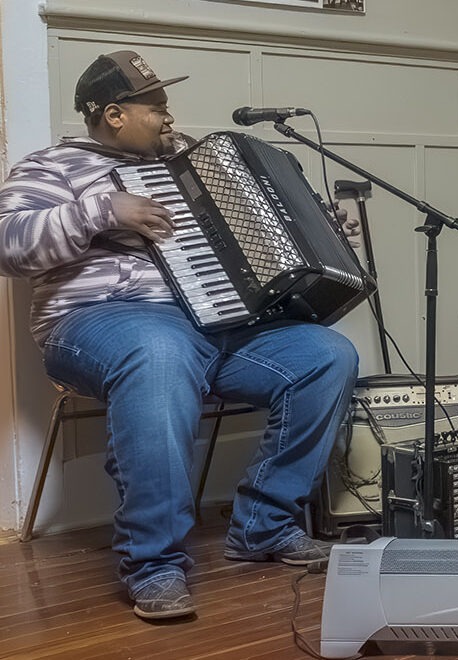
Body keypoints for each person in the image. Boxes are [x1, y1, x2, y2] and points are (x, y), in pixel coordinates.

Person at [0, 50, 362, 620]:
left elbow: (259, 232)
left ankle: (264, 527)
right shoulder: (51, 166)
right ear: (115, 114)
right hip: (100, 320)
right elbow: (8, 243)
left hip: (218, 324)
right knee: (159, 352)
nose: (169, 118)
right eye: (157, 107)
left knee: (325, 355)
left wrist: (310, 228)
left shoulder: (199, 159)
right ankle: (154, 564)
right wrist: (100, 210)